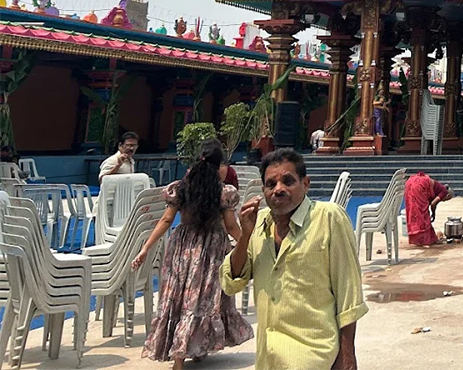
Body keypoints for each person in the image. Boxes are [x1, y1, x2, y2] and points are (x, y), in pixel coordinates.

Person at [220, 148, 367, 370]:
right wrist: (245, 236)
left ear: (305, 184)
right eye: (271, 184)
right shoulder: (258, 224)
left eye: (288, 181)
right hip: (269, 359)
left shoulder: (328, 218)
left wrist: (347, 356)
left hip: (314, 356)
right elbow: (232, 282)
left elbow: (349, 293)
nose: (279, 189)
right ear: (263, 190)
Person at [133, 140, 253, 368]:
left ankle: (184, 354)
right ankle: (190, 349)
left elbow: (167, 219)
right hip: (211, 251)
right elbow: (231, 226)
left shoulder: (181, 189)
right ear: (219, 166)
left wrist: (146, 248)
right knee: (203, 300)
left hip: (182, 249)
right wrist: (248, 242)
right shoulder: (224, 193)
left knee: (178, 298)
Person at [404, 170, 453, 246]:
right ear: (448, 196)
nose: (443, 200)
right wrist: (433, 213)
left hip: (410, 183)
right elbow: (433, 204)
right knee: (422, 215)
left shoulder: (438, 187)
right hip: (419, 185)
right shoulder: (444, 192)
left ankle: (419, 239)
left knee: (414, 211)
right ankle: (424, 240)